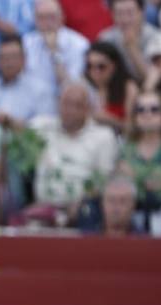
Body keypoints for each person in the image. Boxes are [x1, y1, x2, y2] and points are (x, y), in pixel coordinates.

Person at [29, 80, 118, 217]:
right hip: (43, 208)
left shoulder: (103, 136)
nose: (70, 110)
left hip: (83, 209)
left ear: (87, 109)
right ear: (58, 104)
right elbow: (18, 129)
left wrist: (80, 204)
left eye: (77, 105)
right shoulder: (42, 127)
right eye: (66, 104)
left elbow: (103, 180)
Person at [0, 35, 55, 125]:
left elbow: (46, 127)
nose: (9, 62)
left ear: (24, 59)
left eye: (13, 57)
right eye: (4, 57)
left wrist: (16, 125)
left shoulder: (40, 90)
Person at [23, 0, 90, 96]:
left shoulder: (79, 44)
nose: (47, 23)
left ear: (62, 18)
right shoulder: (26, 43)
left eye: (51, 17)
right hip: (33, 100)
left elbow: (72, 86)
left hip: (66, 102)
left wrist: (54, 51)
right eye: (41, 18)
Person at [98, 0, 161, 81]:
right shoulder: (106, 39)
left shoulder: (157, 37)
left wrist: (132, 48)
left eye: (130, 13)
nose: (125, 19)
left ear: (142, 12)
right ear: (112, 14)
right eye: (119, 13)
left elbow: (154, 79)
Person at [84, 40, 138, 129]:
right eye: (90, 66)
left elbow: (133, 127)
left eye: (101, 66)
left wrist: (111, 121)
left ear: (114, 65)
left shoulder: (128, 87)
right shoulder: (85, 87)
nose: (95, 71)